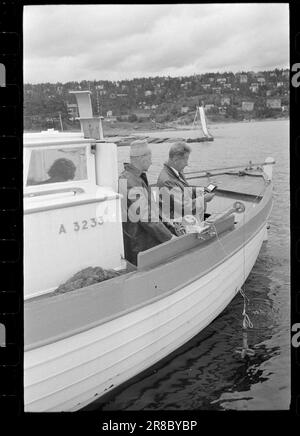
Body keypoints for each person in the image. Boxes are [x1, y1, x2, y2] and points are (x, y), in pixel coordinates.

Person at [119, 140, 176, 266]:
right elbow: (146, 216)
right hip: (140, 244)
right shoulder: (129, 181)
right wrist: (169, 237)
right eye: (150, 158)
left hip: (144, 240)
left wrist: (169, 224)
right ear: (141, 158)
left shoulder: (134, 177)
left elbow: (150, 209)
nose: (151, 162)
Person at [157, 141, 214, 223]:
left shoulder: (177, 171)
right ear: (176, 160)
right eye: (185, 160)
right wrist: (204, 199)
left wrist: (200, 190)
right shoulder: (167, 181)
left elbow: (183, 190)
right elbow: (183, 208)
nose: (187, 164)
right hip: (177, 223)